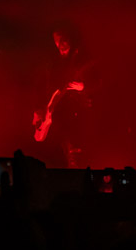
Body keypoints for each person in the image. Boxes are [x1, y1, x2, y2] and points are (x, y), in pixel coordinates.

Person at [33, 23, 94, 167]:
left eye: (63, 39)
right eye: (56, 40)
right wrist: (39, 108)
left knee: (74, 151)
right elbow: (43, 86)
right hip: (57, 114)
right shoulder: (52, 62)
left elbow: (99, 80)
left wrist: (84, 86)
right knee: (59, 152)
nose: (60, 44)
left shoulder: (81, 58)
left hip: (76, 111)